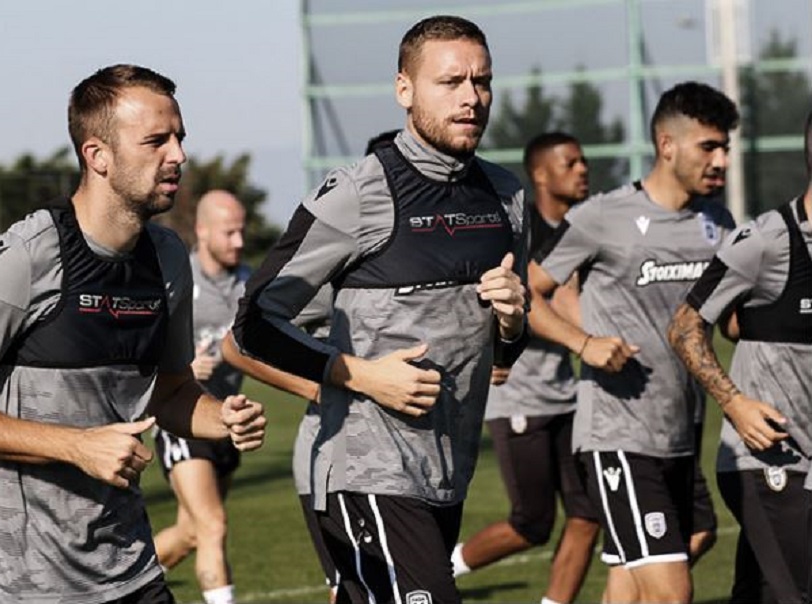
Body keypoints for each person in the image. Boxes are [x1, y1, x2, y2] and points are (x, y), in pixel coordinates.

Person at [0, 64, 266, 604]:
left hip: (133, 568)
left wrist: (223, 418)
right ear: (97, 155)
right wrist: (76, 446)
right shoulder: (25, 256)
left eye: (179, 138)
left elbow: (171, 391)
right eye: (156, 141)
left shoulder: (167, 258)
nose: (178, 155)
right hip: (28, 586)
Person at [230, 15, 529, 603]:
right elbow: (254, 323)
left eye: (483, 81)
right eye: (451, 82)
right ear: (404, 89)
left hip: (447, 471)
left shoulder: (507, 196)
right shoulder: (358, 193)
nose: (472, 97)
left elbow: (503, 356)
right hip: (364, 469)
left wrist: (514, 321)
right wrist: (361, 376)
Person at [527, 81, 739, 604]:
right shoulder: (603, 217)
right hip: (618, 437)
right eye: (708, 146)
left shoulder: (717, 222)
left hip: (682, 433)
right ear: (667, 145)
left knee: (684, 544)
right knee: (671, 592)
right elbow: (527, 291)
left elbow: (732, 320)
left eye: (725, 147)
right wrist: (583, 343)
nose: (721, 160)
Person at [667, 110, 812, 604]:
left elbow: (741, 322)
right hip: (766, 459)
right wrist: (735, 402)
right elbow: (685, 327)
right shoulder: (768, 240)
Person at [450, 131, 599, 604]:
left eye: (583, 160)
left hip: (569, 395)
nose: (582, 170)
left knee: (587, 514)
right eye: (570, 162)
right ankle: (441, 567)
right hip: (519, 395)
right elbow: (509, 301)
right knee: (532, 523)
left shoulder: (581, 230)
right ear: (540, 174)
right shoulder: (515, 229)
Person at [152, 190, 250, 604]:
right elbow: (140, 346)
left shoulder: (250, 283)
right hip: (182, 416)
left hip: (226, 421)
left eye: (242, 231)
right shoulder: (175, 277)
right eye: (229, 233)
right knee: (213, 525)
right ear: (203, 231)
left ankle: (109, 589)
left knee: (191, 533)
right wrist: (184, 365)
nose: (239, 241)